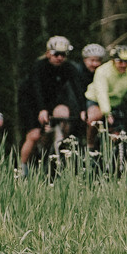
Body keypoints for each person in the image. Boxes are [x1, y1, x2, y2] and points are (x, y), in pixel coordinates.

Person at [18, 36, 91, 168]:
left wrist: (82, 110)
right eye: (56, 54)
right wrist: (41, 109)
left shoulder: (69, 67)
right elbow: (37, 89)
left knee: (64, 115)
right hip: (31, 102)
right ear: (48, 54)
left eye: (63, 54)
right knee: (34, 135)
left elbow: (78, 89)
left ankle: (60, 149)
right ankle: (22, 168)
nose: (59, 58)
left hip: (52, 101)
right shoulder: (38, 66)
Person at [88, 45, 127, 137]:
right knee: (95, 117)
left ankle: (114, 148)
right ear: (113, 61)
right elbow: (101, 93)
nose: (124, 65)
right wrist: (107, 113)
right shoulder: (103, 71)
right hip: (96, 100)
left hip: (115, 103)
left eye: (126, 61)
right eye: (120, 61)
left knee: (117, 133)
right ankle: (90, 146)